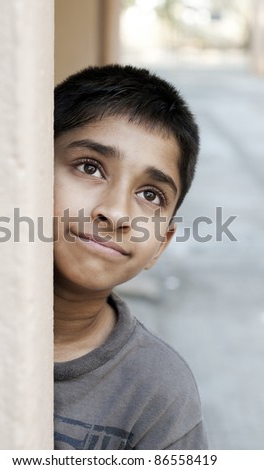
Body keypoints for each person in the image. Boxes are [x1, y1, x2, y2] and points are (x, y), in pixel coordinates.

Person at [53, 64, 208, 450]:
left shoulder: (159, 394)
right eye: (90, 168)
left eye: (151, 195)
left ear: (160, 244)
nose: (117, 213)